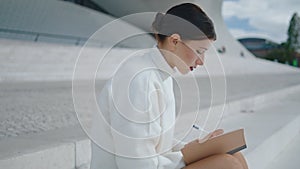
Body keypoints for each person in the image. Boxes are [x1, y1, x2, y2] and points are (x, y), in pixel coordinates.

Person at [90, 3, 248, 169]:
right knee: (226, 164)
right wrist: (186, 157)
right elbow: (136, 163)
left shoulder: (161, 76)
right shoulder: (139, 80)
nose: (201, 61)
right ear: (174, 41)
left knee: (233, 153)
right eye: (200, 51)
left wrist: (195, 148)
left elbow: (156, 142)